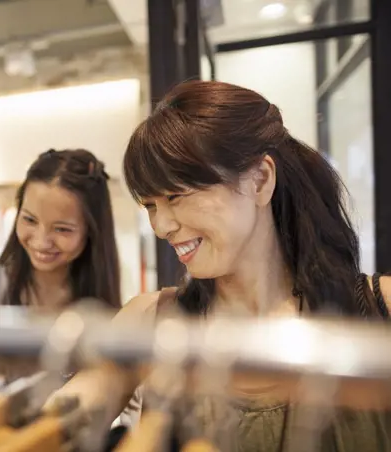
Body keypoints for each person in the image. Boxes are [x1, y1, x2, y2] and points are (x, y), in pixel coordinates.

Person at [53, 80, 391, 450]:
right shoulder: (151, 321)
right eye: (150, 206)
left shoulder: (381, 310)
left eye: (176, 195)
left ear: (260, 179)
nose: (161, 226)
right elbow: (59, 419)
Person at [0, 149, 139, 429]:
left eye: (62, 229)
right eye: (30, 220)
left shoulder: (102, 317)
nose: (41, 241)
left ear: (91, 232)